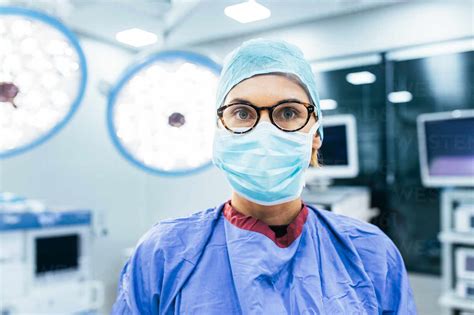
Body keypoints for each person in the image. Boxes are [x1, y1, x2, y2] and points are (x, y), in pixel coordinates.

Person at [111, 38, 417, 314]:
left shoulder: (371, 253)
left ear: (315, 135)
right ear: (220, 131)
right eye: (243, 113)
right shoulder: (163, 253)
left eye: (288, 113)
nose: (264, 132)